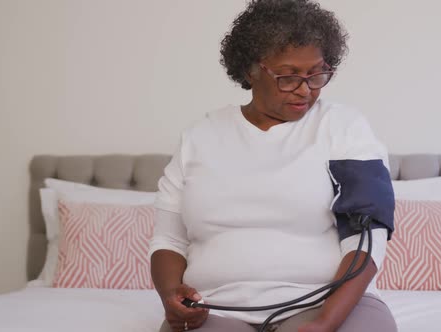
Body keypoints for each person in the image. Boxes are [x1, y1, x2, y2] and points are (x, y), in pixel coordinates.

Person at [149, 1, 397, 331]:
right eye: (289, 76)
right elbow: (169, 241)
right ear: (251, 70)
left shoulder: (343, 128)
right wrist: (171, 297)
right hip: (217, 307)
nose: (306, 89)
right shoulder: (199, 138)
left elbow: (366, 238)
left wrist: (325, 322)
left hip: (327, 302)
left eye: (317, 74)